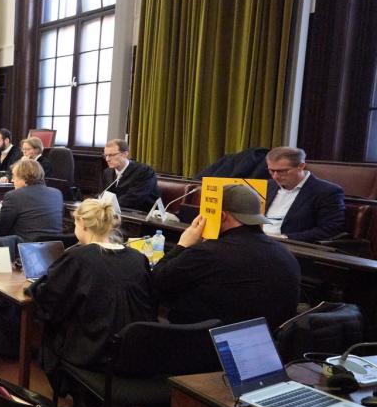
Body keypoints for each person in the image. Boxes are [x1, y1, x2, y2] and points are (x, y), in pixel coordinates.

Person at [31, 198, 156, 407]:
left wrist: (36, 288)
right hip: (135, 349)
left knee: (52, 333)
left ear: (83, 225)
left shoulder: (79, 257)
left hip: (97, 351)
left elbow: (50, 300)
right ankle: (87, 400)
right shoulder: (137, 257)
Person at [153, 183, 300, 330]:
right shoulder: (285, 253)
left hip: (205, 339)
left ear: (221, 216)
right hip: (270, 339)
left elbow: (157, 280)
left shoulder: (207, 253)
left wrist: (182, 245)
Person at [263, 146, 345, 242]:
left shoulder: (327, 191)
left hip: (289, 244)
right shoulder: (268, 185)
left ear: (301, 166)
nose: (275, 176)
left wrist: (285, 238)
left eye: (282, 171)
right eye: (271, 171)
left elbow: (330, 229)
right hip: (259, 240)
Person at [0, 158, 64, 241]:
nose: (12, 180)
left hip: (24, 247)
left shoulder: (14, 196)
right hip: (54, 246)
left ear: (24, 178)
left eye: (14, 176)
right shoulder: (57, 194)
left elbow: (0, 230)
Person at [100, 138, 159, 212]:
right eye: (106, 155)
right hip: (115, 211)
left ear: (125, 154)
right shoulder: (107, 172)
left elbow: (134, 198)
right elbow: (103, 194)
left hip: (141, 214)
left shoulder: (144, 171)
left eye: (111, 155)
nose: (107, 159)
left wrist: (107, 206)